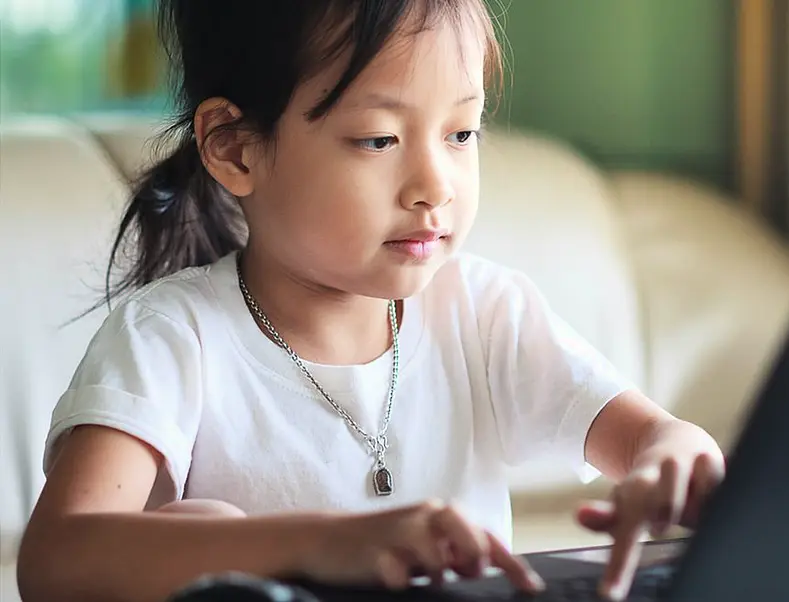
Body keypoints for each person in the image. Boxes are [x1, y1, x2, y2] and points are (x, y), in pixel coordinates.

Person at [16, 1, 725, 601]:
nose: (435, 185)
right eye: (378, 139)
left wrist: (672, 464)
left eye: (462, 133)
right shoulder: (173, 336)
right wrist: (326, 541)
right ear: (234, 149)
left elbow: (662, 439)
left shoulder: (483, 311)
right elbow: (56, 560)